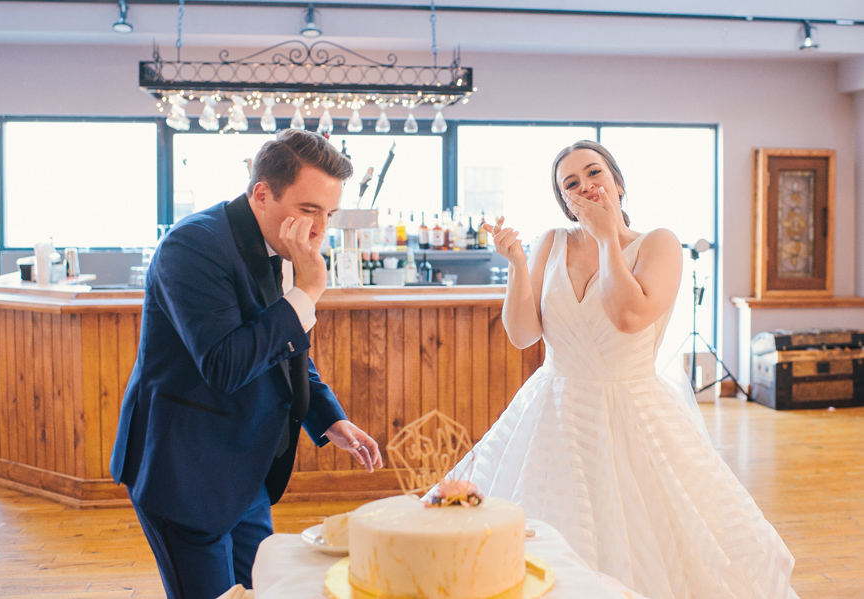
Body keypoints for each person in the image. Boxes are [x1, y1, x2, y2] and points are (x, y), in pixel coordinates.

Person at [443, 141, 798, 599]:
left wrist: (609, 236)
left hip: (633, 411)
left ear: (618, 183)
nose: (585, 186)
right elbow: (522, 334)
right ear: (564, 201)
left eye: (594, 174)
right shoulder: (551, 242)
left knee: (647, 537)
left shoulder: (660, 244)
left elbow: (628, 316)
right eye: (571, 183)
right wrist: (515, 265)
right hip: (552, 410)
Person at [110, 129, 383, 599]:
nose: (319, 231)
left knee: (264, 590)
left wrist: (329, 417)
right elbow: (224, 364)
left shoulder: (278, 243)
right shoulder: (192, 247)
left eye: (329, 215)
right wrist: (309, 291)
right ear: (262, 193)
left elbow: (285, 348)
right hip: (185, 470)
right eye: (308, 210)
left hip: (245, 465)